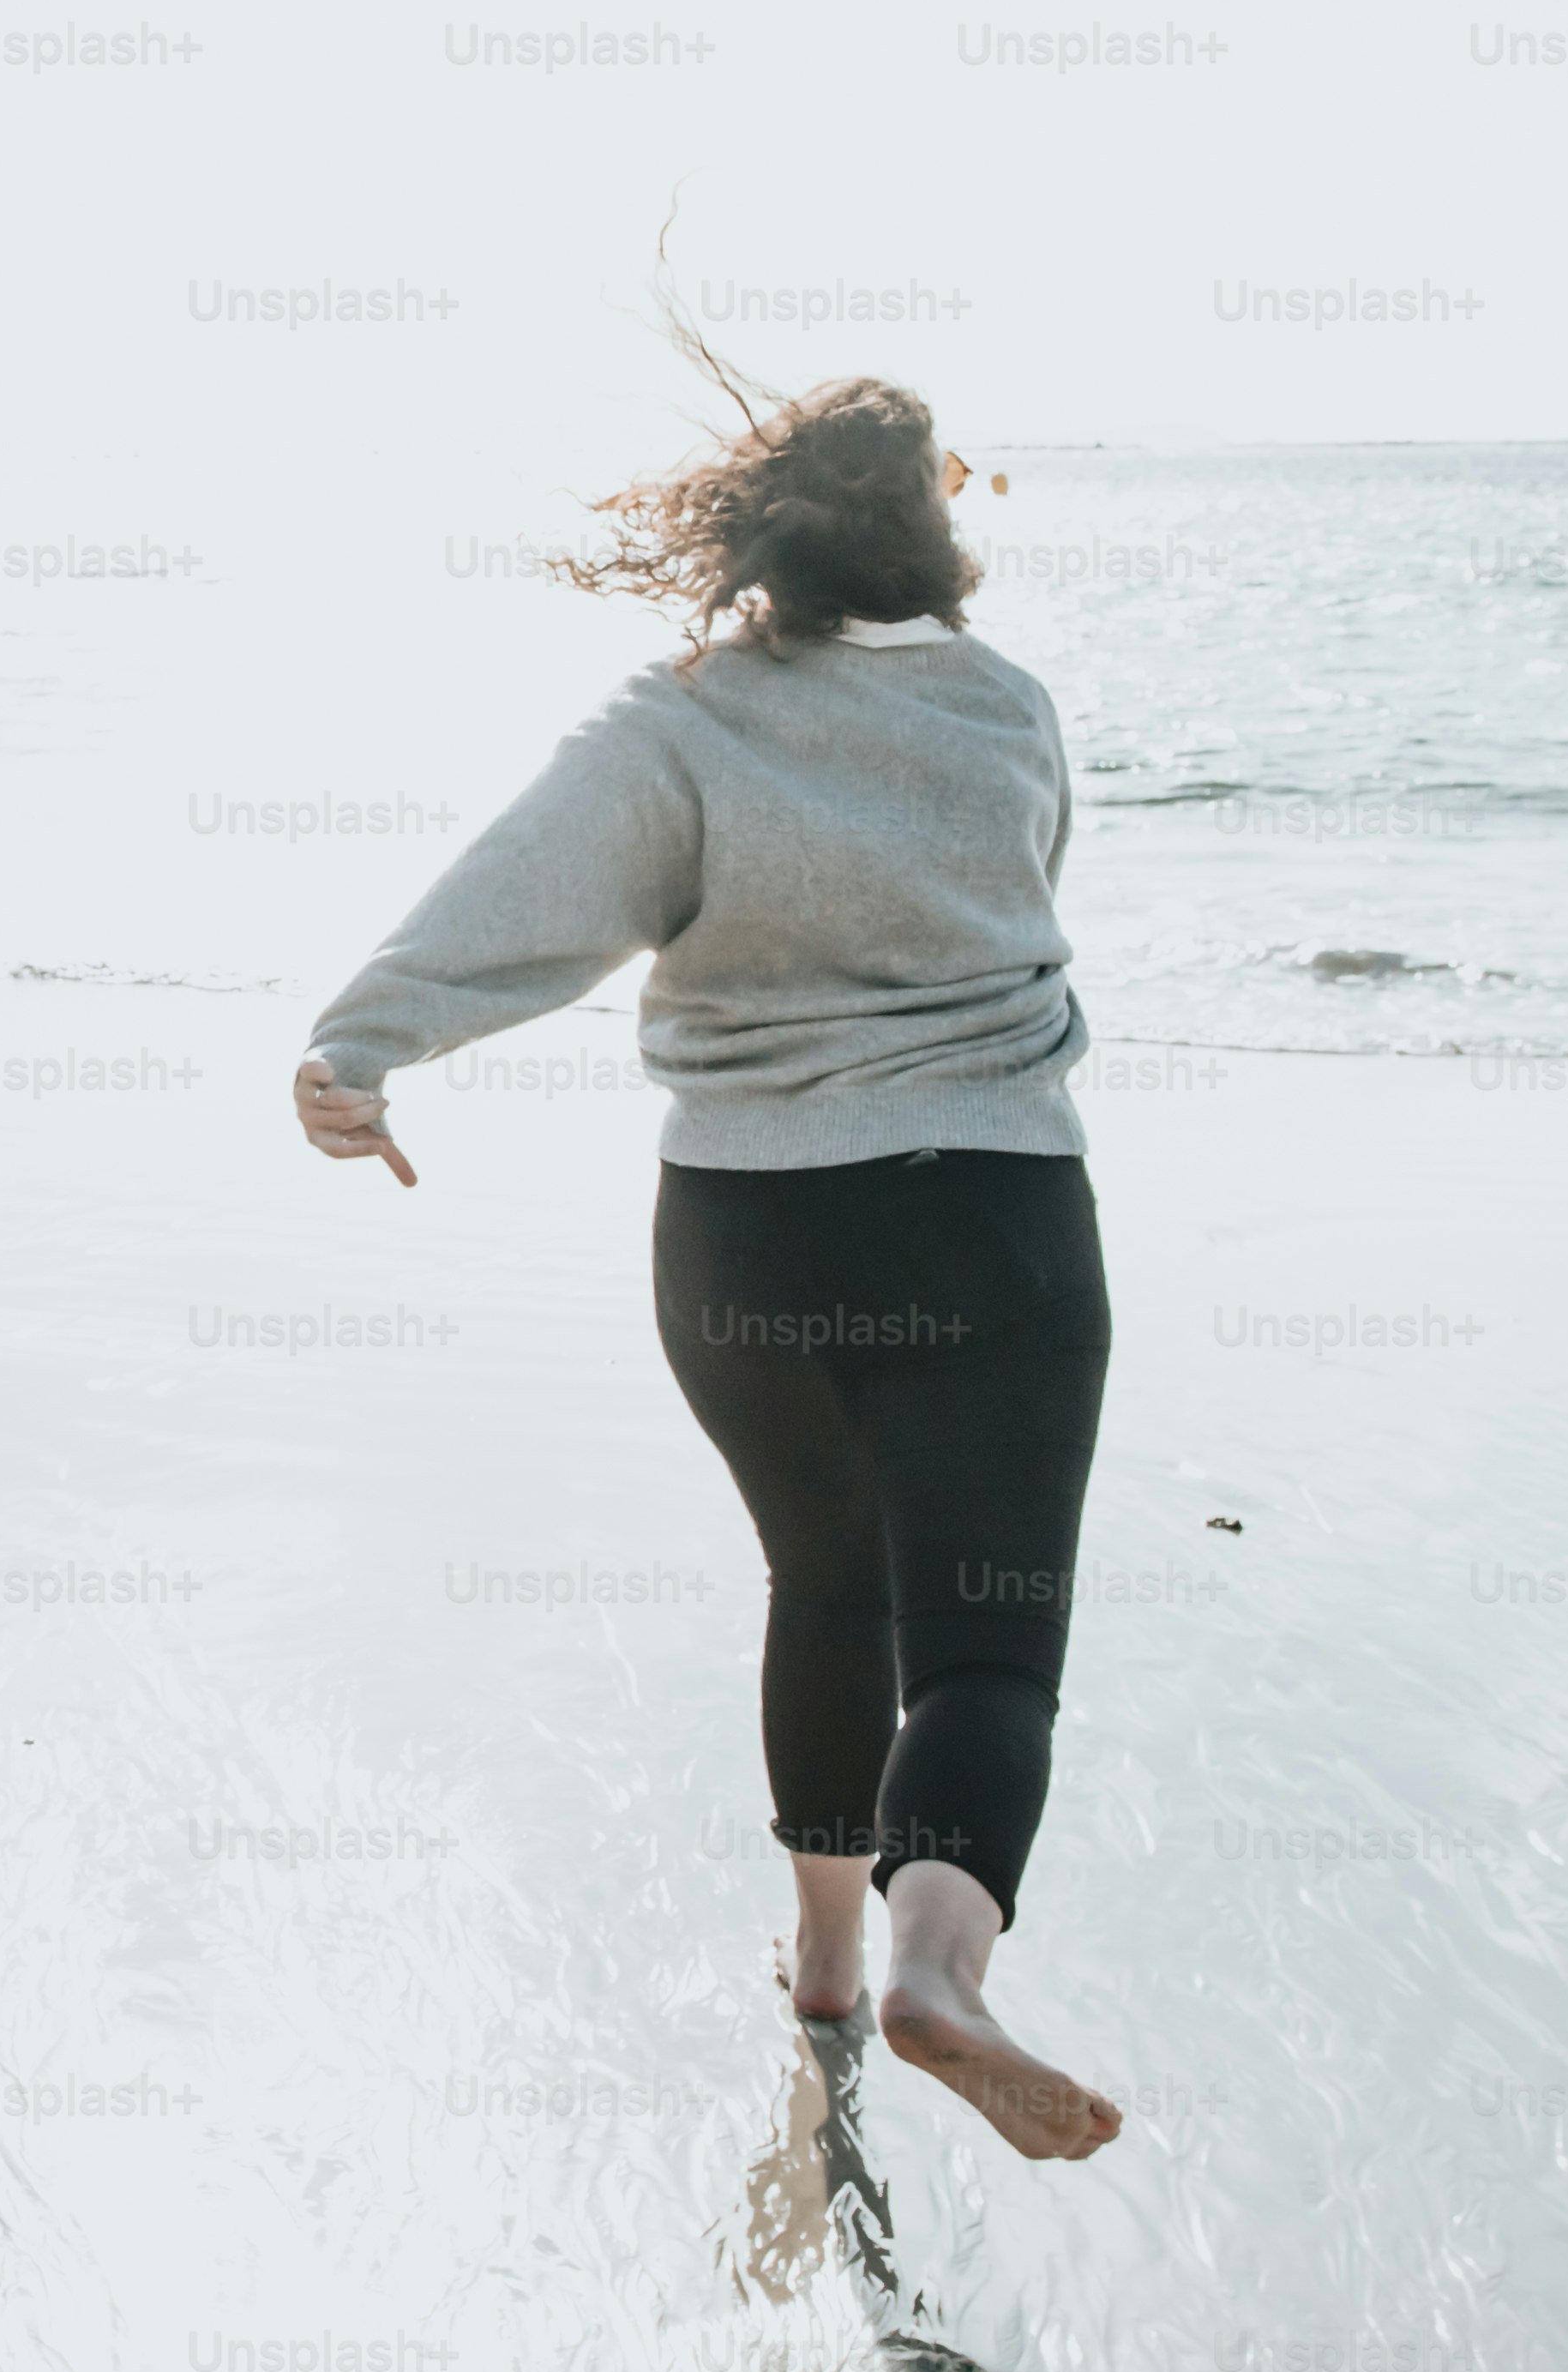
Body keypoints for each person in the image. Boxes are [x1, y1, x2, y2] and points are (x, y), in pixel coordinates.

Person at [291, 348, 1124, 2162]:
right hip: (990, 1216)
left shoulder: (676, 718)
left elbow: (524, 892)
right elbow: (1034, 885)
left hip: (744, 1239)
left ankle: (821, 1965)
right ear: (935, 543)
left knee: (823, 1582)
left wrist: (356, 1048)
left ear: (761, 545)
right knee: (980, 1647)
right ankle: (936, 1963)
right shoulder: (1009, 710)